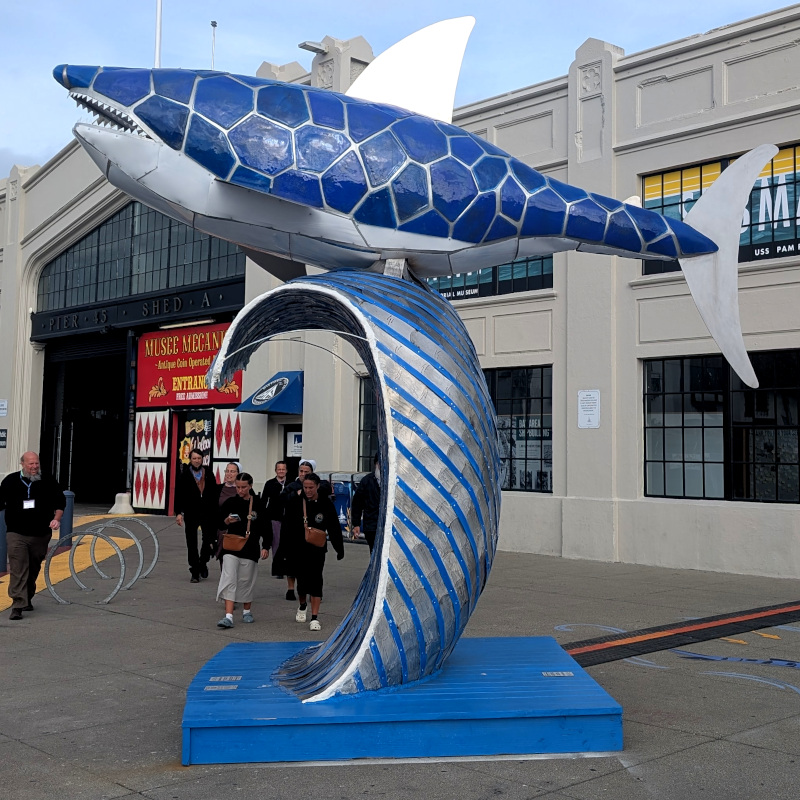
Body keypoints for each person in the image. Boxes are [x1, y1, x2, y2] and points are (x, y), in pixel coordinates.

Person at [0, 452, 66, 620]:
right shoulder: (10, 481)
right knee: (18, 568)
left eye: (36, 463)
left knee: (33, 567)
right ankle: (17, 605)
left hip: (40, 533)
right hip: (16, 532)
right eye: (31, 464)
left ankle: (27, 597)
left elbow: (60, 503)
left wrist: (57, 519)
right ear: (22, 464)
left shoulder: (48, 480)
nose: (35, 467)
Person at [281, 471, 344, 631]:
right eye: (305, 487)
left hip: (317, 548)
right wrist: (283, 550)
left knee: (316, 581)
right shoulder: (295, 502)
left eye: (311, 487)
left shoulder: (325, 503)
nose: (308, 490)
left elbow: (334, 527)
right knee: (302, 583)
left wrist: (339, 548)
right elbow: (286, 527)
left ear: (317, 486)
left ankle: (315, 617)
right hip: (298, 548)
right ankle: (302, 605)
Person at [215, 472, 271, 628]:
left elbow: (266, 526)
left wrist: (266, 546)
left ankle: (247, 611)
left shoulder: (258, 503)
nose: (240, 490)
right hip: (231, 546)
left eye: (243, 487)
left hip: (250, 547)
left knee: (246, 580)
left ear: (250, 486)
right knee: (229, 578)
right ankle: (228, 616)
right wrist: (227, 520)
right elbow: (219, 523)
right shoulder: (230, 502)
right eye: (238, 487)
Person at [175, 448, 218, 582]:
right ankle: (194, 570)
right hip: (191, 512)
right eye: (194, 458)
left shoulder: (209, 473)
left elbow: (214, 493)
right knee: (191, 541)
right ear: (190, 459)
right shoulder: (184, 474)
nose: (197, 461)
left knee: (208, 539)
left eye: (199, 458)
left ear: (202, 459)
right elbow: (179, 494)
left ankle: (203, 562)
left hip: (207, 512)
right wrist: (179, 513)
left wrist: (216, 510)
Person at [261, 461, 288, 581]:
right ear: (275, 470)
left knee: (286, 543)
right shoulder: (270, 483)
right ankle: (278, 569)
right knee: (276, 543)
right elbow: (264, 500)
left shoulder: (290, 484)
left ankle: (286, 567)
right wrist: (263, 515)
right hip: (274, 517)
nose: (281, 471)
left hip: (287, 518)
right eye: (279, 469)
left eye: (283, 469)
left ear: (286, 470)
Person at [351, 452, 382, 553]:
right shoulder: (367, 481)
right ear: (376, 464)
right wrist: (356, 524)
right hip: (371, 526)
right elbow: (357, 503)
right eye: (379, 463)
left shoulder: (393, 481)